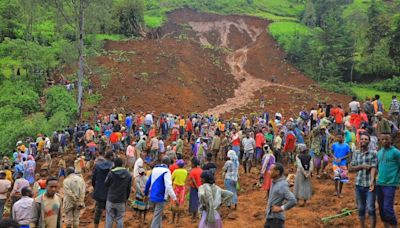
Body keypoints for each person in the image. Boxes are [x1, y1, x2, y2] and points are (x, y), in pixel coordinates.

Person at [349, 134, 377, 228]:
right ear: (359, 141)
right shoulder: (356, 153)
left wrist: (372, 181)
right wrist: (362, 166)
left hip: (369, 184)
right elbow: (350, 168)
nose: (363, 140)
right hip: (358, 184)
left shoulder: (373, 153)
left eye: (366, 139)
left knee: (370, 208)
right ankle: (363, 226)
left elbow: (374, 168)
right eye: (362, 139)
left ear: (369, 142)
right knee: (361, 208)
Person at [373, 132, 400, 227]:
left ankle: (394, 225)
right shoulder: (379, 153)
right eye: (382, 139)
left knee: (387, 208)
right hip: (379, 183)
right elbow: (377, 167)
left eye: (386, 139)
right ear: (379, 140)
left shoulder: (396, 152)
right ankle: (386, 225)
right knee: (381, 208)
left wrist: (398, 181)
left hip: (390, 184)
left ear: (391, 140)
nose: (384, 141)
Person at [145, 156, 177, 228]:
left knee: (158, 215)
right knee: (156, 217)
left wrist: (145, 194)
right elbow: (168, 186)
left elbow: (148, 183)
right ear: (168, 164)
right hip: (160, 197)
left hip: (152, 196)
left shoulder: (154, 169)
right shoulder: (166, 171)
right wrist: (174, 198)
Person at [265, 163, 297, 228]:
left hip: (276, 220)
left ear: (277, 172)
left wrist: (281, 208)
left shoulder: (282, 185)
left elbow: (293, 200)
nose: (269, 172)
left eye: (271, 170)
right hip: (270, 218)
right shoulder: (274, 182)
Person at [104, 157, 132, 228]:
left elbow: (106, 183)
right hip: (121, 200)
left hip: (111, 199)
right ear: (122, 164)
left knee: (109, 217)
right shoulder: (128, 174)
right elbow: (128, 188)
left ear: (114, 164)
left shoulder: (111, 173)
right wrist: (126, 198)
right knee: (120, 218)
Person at [91, 151, 114, 228]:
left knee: (98, 211)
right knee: (109, 212)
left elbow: (93, 179)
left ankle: (96, 226)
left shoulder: (97, 166)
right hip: (110, 193)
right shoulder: (113, 167)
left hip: (99, 192)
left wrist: (95, 188)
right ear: (111, 157)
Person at [332, 132, 351, 198]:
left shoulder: (346, 145)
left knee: (342, 178)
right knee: (336, 177)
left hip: (343, 163)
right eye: (337, 137)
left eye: (340, 137)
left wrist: (341, 158)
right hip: (335, 163)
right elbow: (332, 152)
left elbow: (348, 154)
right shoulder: (334, 145)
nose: (338, 138)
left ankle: (340, 191)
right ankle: (335, 190)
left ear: (343, 138)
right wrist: (334, 157)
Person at [171, 159, 188, 225]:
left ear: (178, 165)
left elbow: (171, 178)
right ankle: (177, 221)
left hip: (176, 188)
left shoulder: (175, 171)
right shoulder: (185, 171)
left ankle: (173, 220)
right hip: (182, 189)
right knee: (180, 204)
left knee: (174, 204)